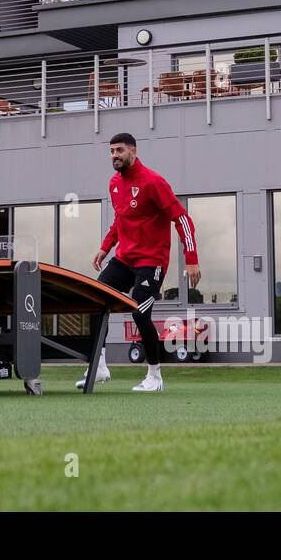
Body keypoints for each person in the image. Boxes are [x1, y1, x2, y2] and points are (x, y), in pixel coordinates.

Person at [77, 133, 199, 393]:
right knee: (95, 301)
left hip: (151, 261)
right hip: (124, 259)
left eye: (119, 150)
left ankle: (155, 376)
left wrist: (191, 259)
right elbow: (121, 221)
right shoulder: (114, 183)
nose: (114, 156)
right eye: (111, 151)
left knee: (139, 312)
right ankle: (99, 366)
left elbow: (183, 219)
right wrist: (105, 247)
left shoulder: (153, 182)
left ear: (133, 151)